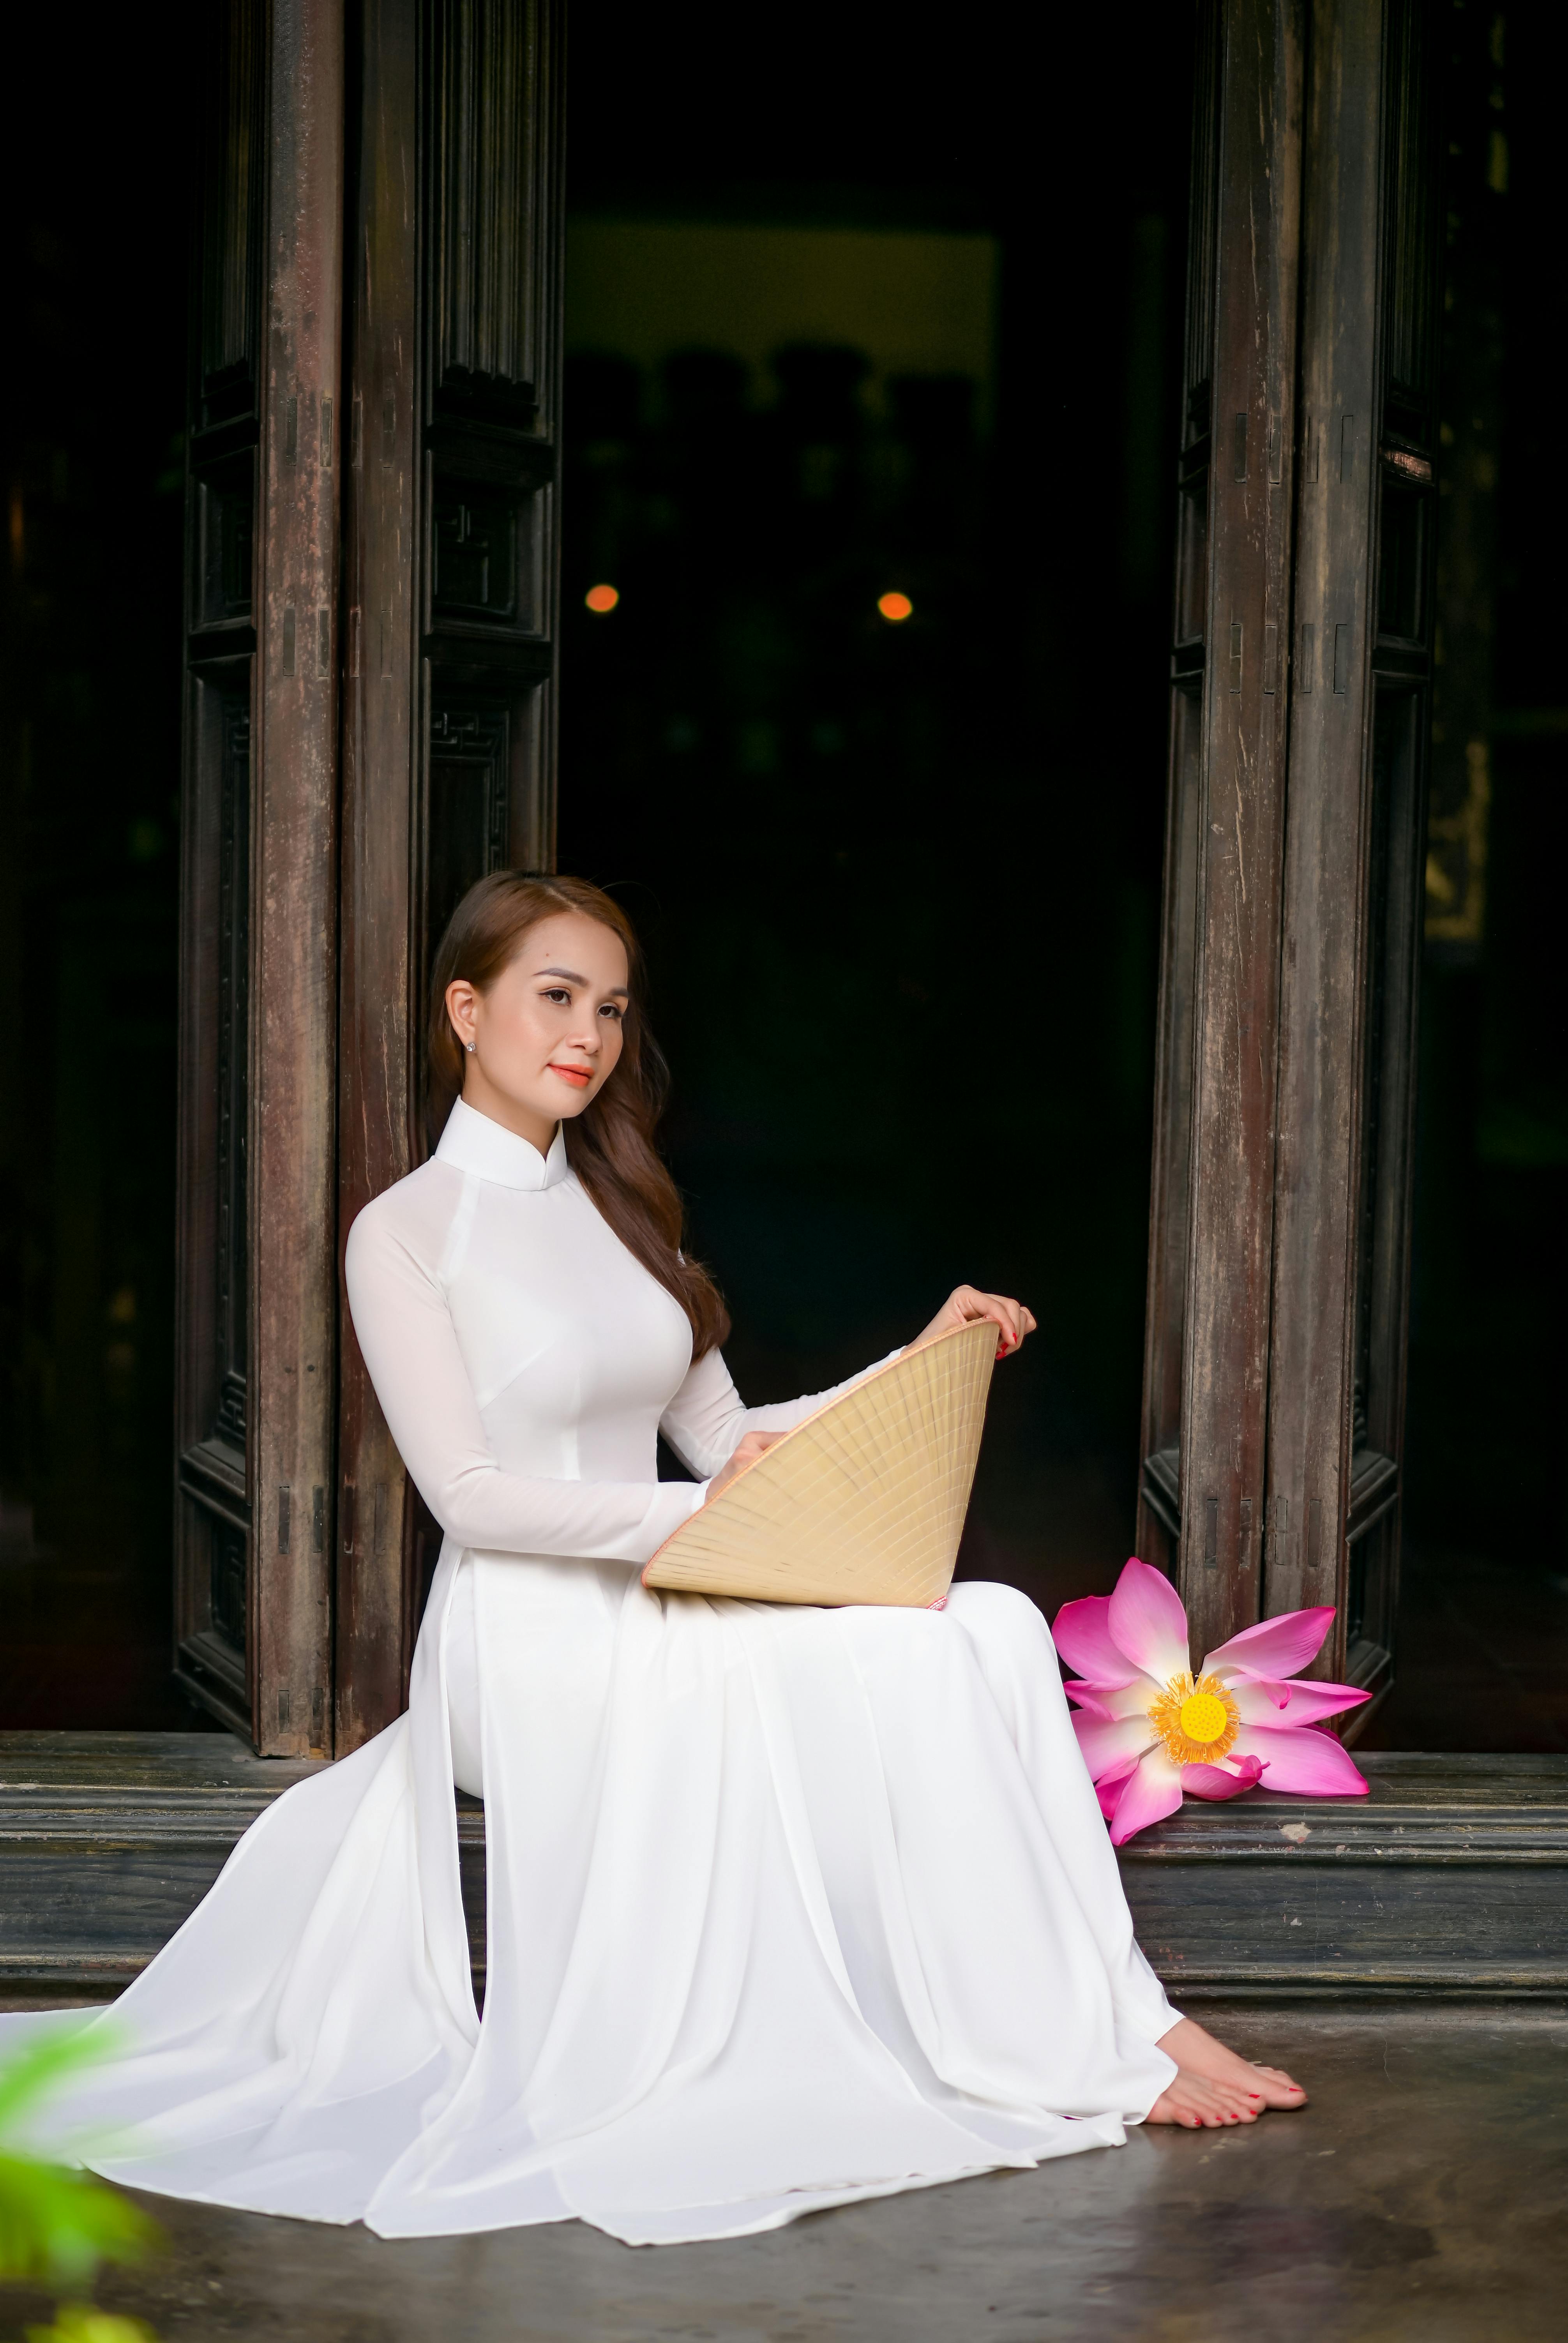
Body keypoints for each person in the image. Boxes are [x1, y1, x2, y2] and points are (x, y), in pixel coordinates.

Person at [2, 871, 1303, 2247]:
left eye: (611, 1008)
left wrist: (921, 1358)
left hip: (667, 1591)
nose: (589, 1036)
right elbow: (474, 1498)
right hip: (528, 1642)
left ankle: (1116, 2020)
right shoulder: (405, 1233)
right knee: (914, 1641)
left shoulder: (626, 1213)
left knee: (979, 1622)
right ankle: (1090, 2049)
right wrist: (686, 1524)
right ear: (467, 1009)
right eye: (555, 997)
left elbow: (728, 1434)